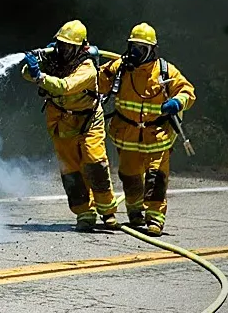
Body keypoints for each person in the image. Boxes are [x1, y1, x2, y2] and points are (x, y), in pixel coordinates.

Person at [97, 23, 195, 237]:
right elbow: (96, 81)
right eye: (133, 47)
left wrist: (178, 102)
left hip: (157, 137)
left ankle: (155, 220)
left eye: (141, 48)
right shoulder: (120, 68)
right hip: (127, 136)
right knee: (130, 177)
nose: (135, 52)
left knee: (156, 178)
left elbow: (187, 91)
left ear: (152, 49)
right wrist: (85, 57)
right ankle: (135, 214)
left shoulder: (165, 71)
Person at [22, 20, 118, 232]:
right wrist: (35, 64)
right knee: (71, 171)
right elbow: (26, 74)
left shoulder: (87, 69)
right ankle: (84, 213)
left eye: (68, 46)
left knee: (95, 162)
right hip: (61, 121)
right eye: (61, 44)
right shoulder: (55, 61)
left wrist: (40, 75)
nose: (63, 49)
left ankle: (107, 211)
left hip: (88, 121)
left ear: (80, 48)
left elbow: (65, 87)